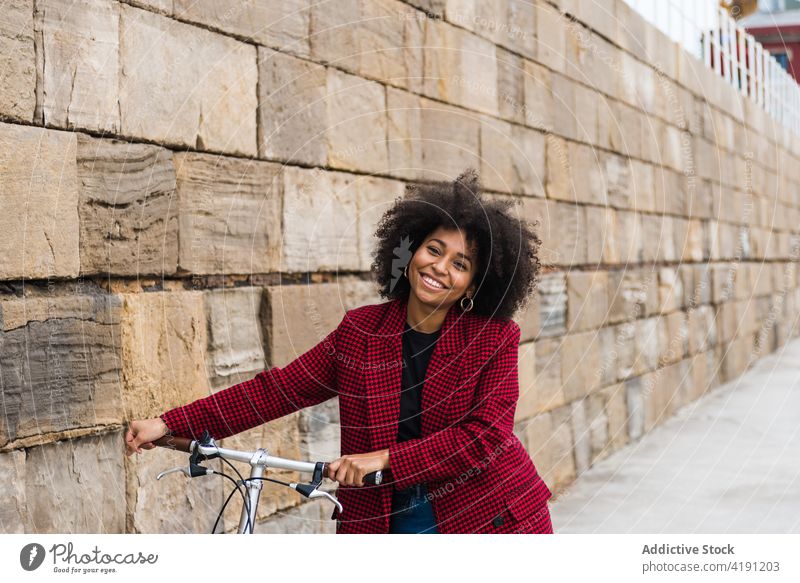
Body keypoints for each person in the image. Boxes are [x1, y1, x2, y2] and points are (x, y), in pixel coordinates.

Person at [125, 168, 554, 534]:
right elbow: (278, 390)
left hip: (486, 512)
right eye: (434, 250)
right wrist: (168, 423)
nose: (440, 267)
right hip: (385, 514)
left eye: (460, 264)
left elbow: (484, 437)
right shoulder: (361, 332)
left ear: (474, 286)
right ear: (409, 252)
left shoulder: (495, 340)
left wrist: (385, 458)